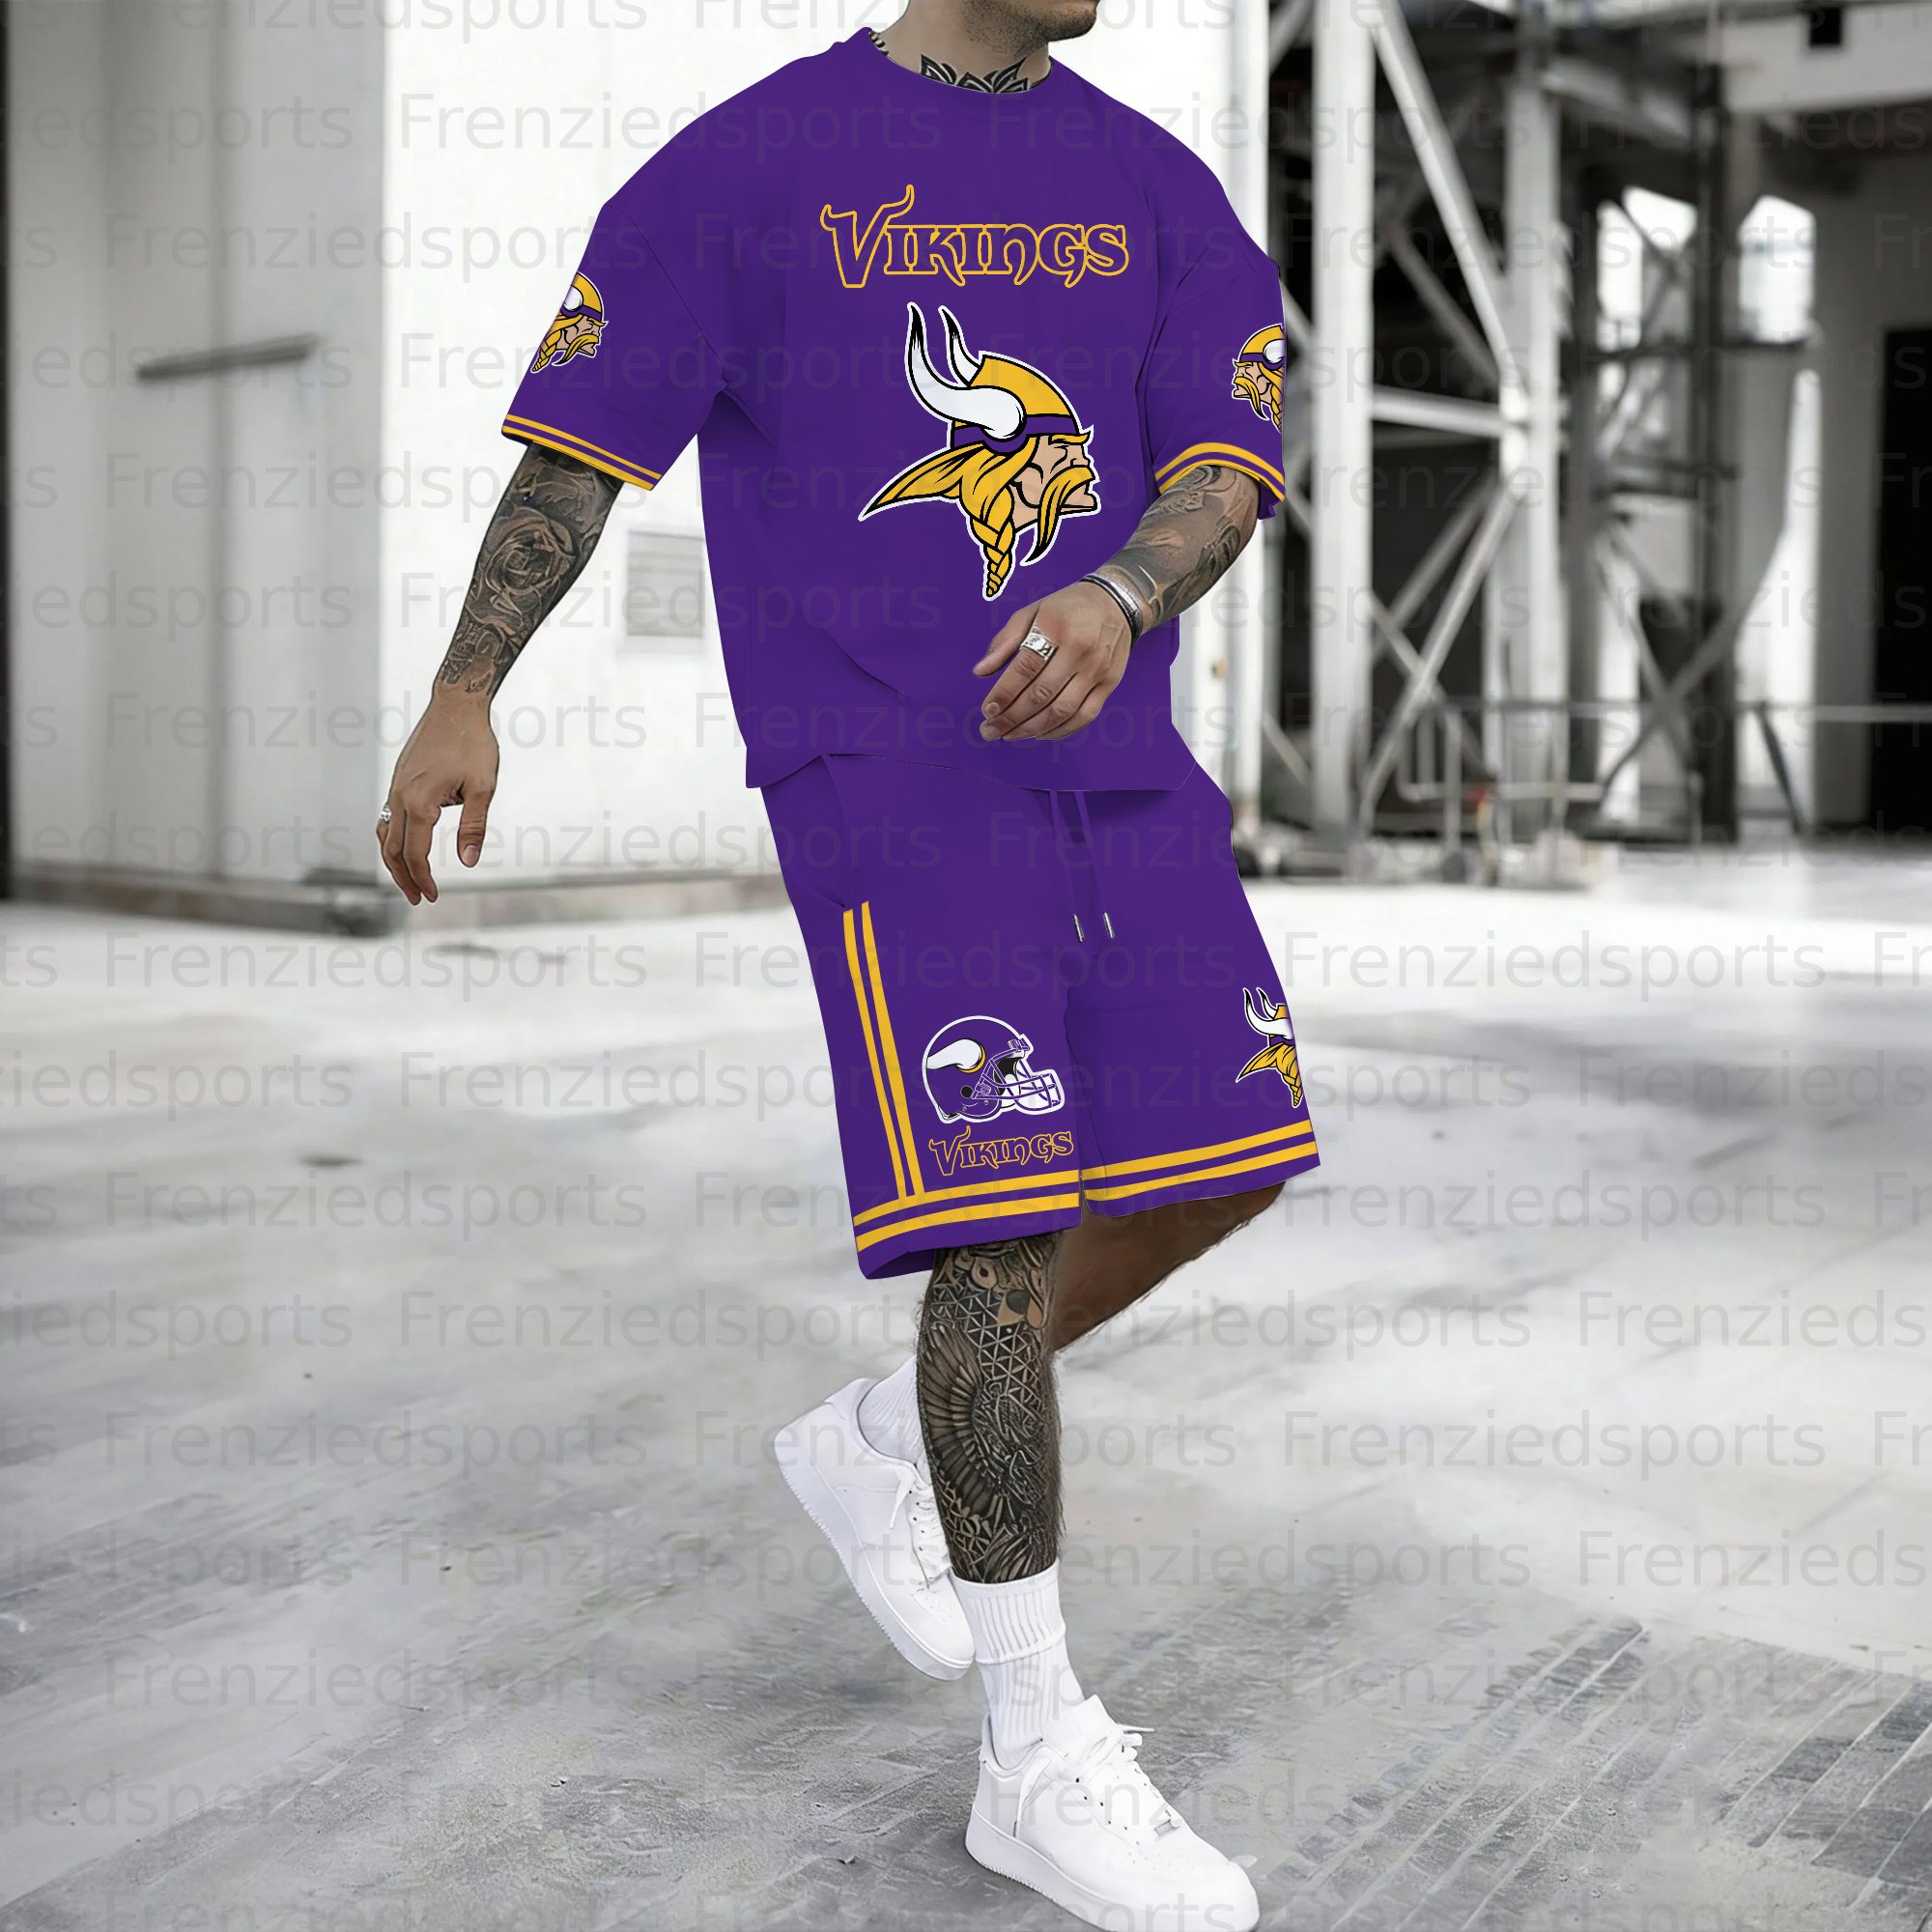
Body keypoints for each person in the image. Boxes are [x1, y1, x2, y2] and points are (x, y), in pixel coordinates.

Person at [377, 3, 1316, 1924]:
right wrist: (467, 689)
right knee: (997, 1222)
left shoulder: (1152, 182)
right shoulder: (752, 164)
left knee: (1226, 1163)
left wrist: (1122, 586)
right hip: (886, 766)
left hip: (1117, 759)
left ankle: (888, 1439)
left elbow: (1225, 460)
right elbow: (580, 455)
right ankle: (1034, 1753)